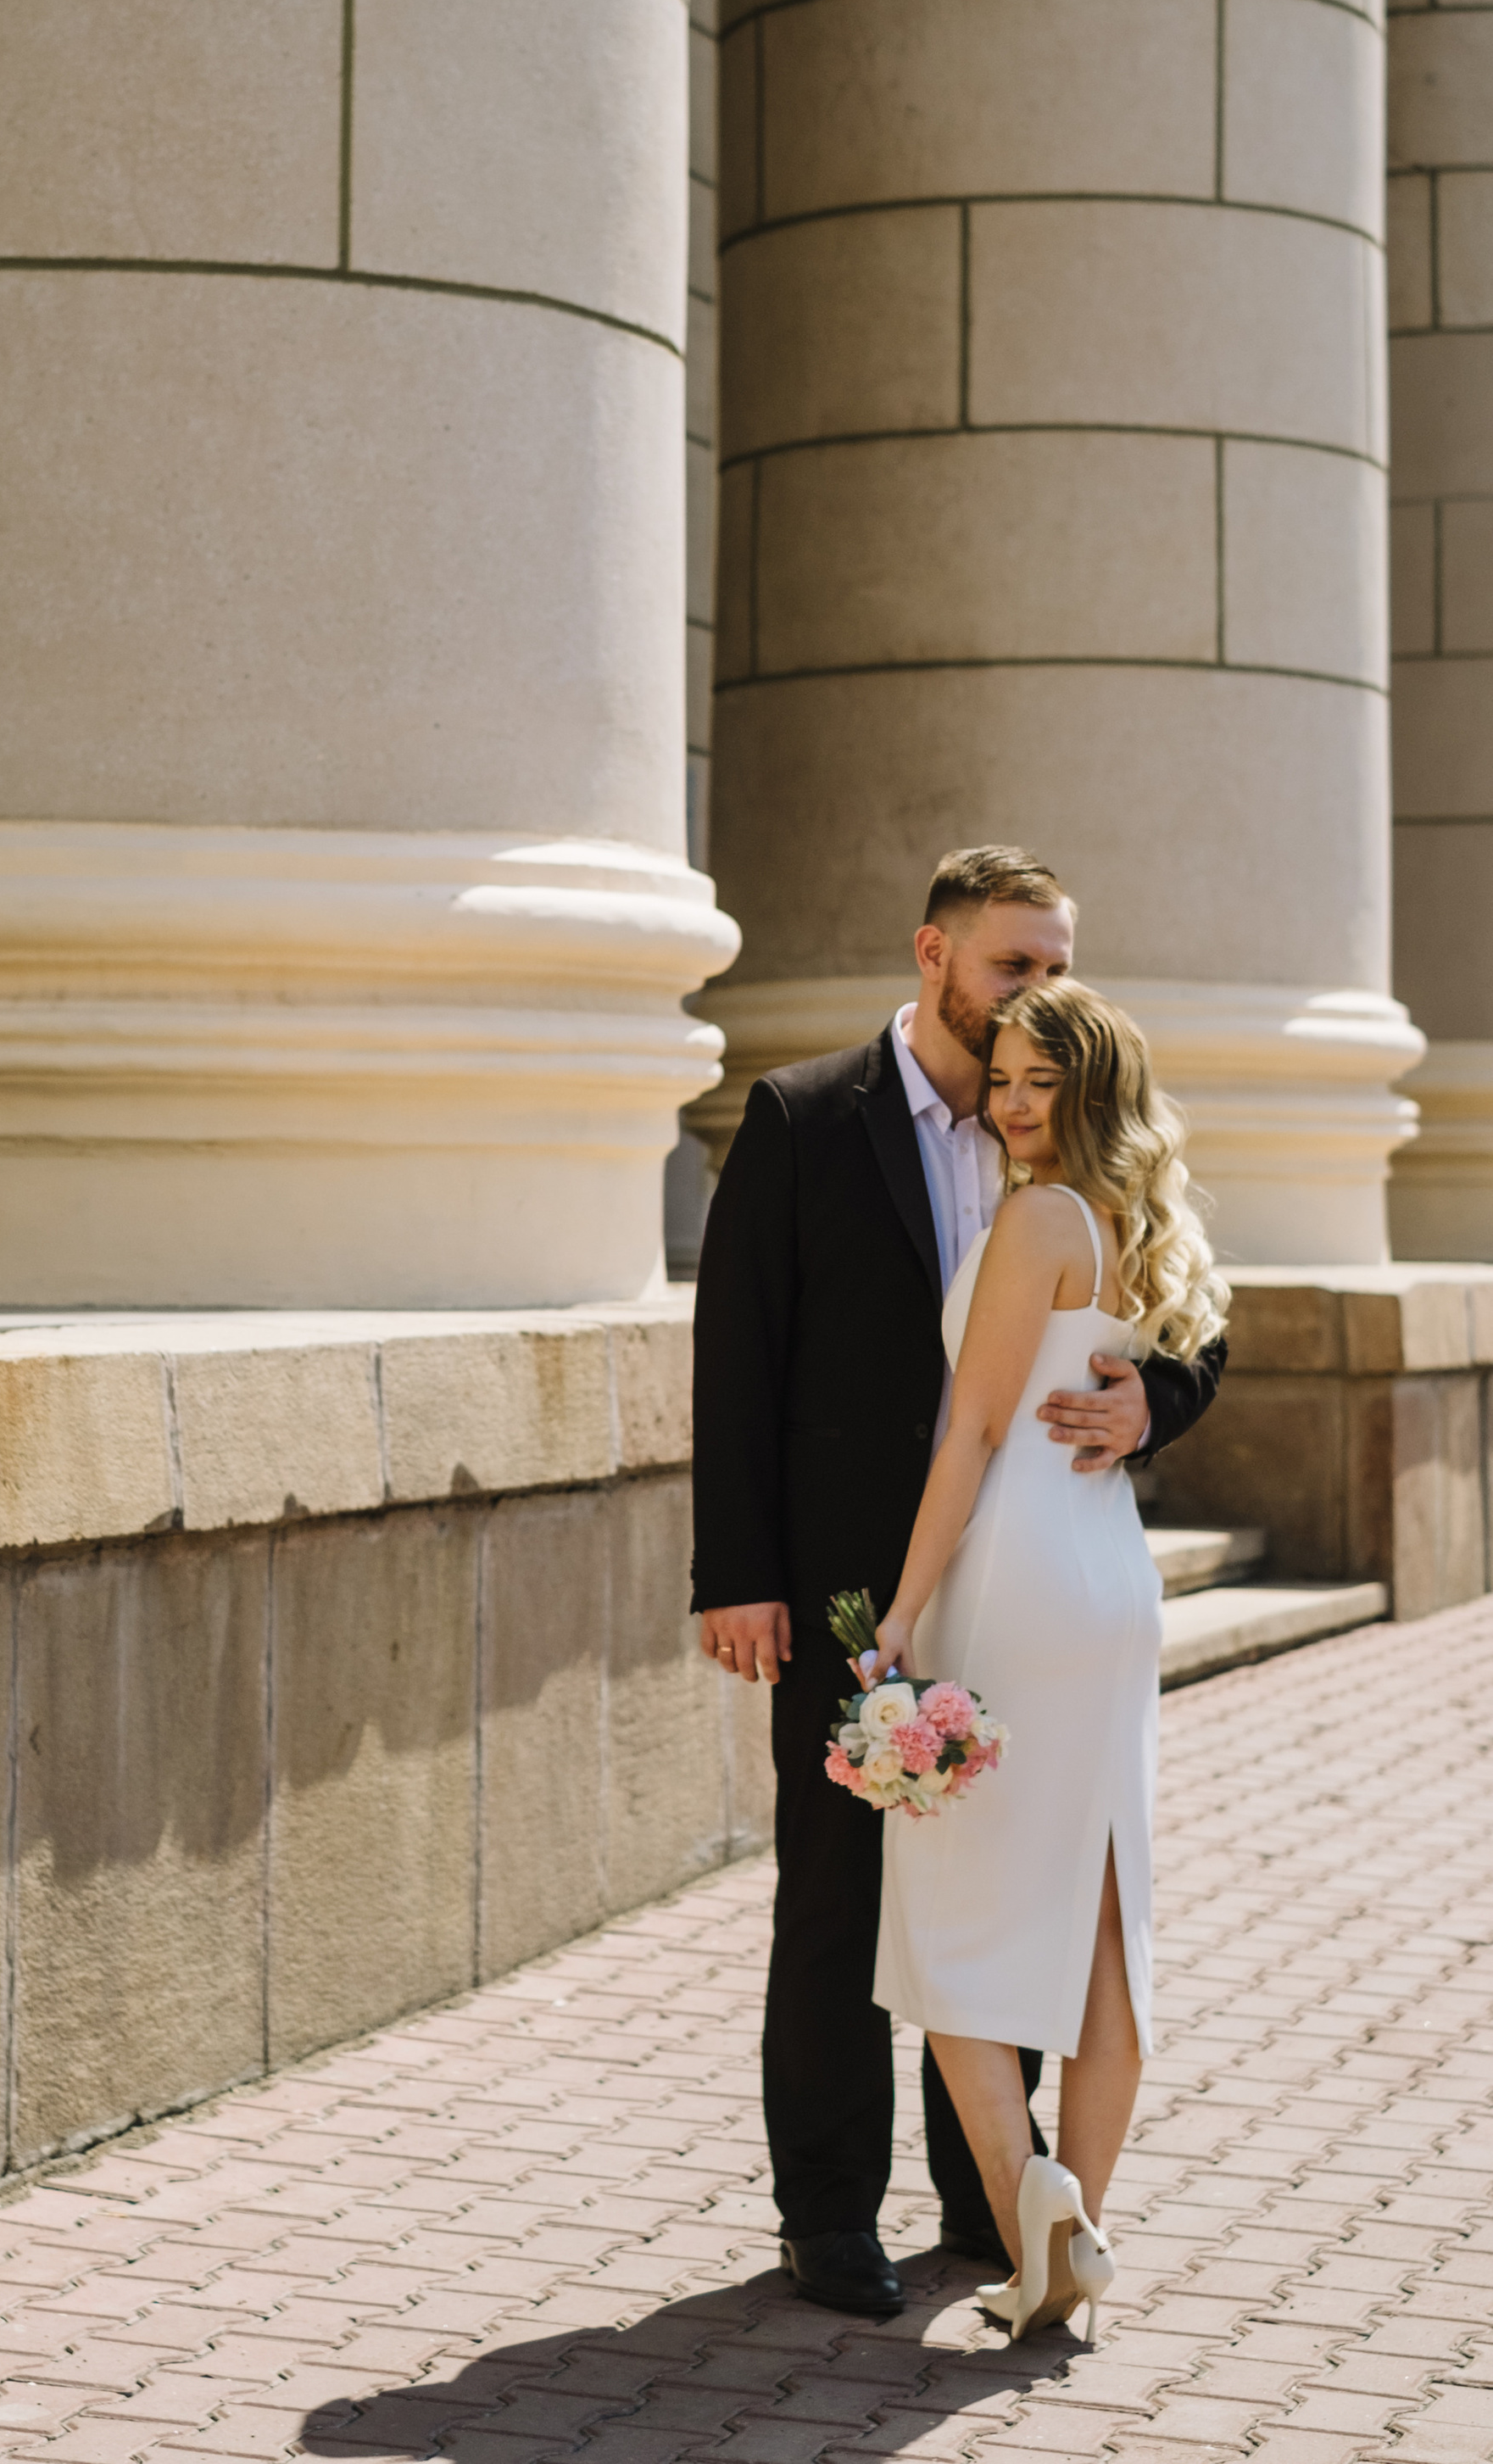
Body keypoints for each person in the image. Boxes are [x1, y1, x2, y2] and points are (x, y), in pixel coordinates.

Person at [691, 847, 1225, 2322]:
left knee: (1002, 1874)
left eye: (1056, 965)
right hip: (854, 1583)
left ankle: (990, 2204)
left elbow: (1185, 1334)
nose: (1038, 997)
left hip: (1017, 1568)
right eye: (1015, 967)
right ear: (933, 955)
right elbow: (736, 1360)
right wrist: (736, 1574)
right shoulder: (804, 1118)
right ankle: (828, 2216)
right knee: (841, 1888)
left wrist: (1145, 1410)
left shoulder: (1066, 1122)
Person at [862, 978, 1227, 2339]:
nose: (1010, 1105)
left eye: (1036, 1084)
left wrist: (899, 1618)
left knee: (948, 1910)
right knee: (1104, 1922)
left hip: (1015, 1581)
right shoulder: (1147, 1221)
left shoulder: (1036, 1218)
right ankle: (1075, 2243)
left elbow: (971, 1436)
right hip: (1108, 1578)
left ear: (1088, 1092)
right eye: (1000, 1078)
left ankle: (1031, 2203)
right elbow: (1174, 1363)